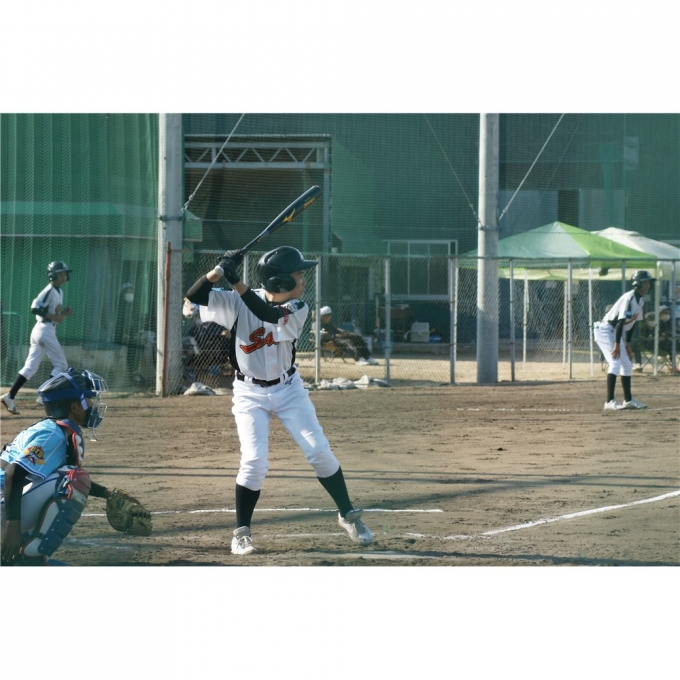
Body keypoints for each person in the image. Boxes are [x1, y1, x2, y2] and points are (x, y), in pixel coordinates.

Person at [186, 246, 373, 555]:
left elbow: (268, 314)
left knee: (319, 450)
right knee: (254, 461)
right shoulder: (236, 300)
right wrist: (219, 270)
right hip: (249, 393)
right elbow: (195, 296)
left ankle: (347, 514)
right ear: (281, 281)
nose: (303, 280)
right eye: (298, 275)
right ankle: (242, 533)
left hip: (289, 390)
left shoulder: (298, 307)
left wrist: (235, 280)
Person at [0, 367, 145, 566]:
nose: (93, 405)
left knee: (70, 477)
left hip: (4, 501)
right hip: (4, 510)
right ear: (75, 407)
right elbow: (13, 473)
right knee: (74, 479)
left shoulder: (51, 428)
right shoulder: (53, 434)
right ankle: (32, 559)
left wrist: (106, 493)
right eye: (89, 399)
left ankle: (8, 557)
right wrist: (12, 527)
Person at [1, 261, 74, 416]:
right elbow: (34, 307)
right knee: (61, 365)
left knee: (30, 367)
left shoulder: (59, 292)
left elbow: (53, 314)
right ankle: (44, 395)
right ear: (53, 275)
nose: (64, 276)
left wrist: (62, 314)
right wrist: (53, 316)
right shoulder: (49, 290)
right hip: (44, 330)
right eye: (61, 273)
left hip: (43, 330)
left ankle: (10, 396)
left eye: (65, 273)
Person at [593, 270, 655, 410]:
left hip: (614, 332)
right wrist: (617, 344)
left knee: (626, 365)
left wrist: (627, 344)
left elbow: (632, 324)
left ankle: (628, 400)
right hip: (605, 330)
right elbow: (620, 323)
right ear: (637, 284)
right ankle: (609, 401)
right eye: (645, 282)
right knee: (615, 362)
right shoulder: (629, 298)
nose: (648, 285)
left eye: (649, 283)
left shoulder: (640, 301)